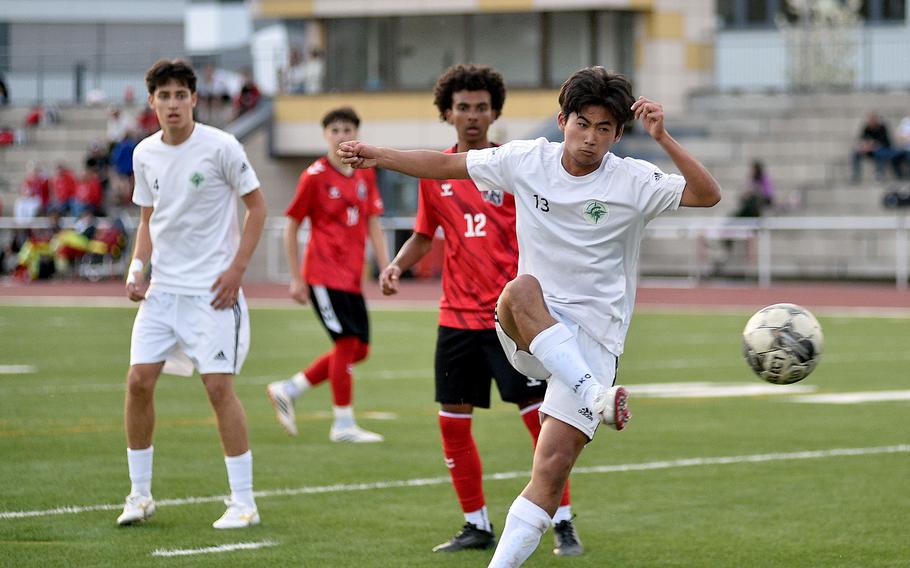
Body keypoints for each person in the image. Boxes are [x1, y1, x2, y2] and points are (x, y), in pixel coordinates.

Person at [339, 66, 722, 567]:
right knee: (520, 288)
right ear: (562, 120)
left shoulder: (632, 179)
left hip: (594, 342)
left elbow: (707, 194)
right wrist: (378, 155)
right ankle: (593, 395)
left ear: (618, 134)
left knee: (551, 469)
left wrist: (663, 137)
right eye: (582, 124)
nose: (590, 139)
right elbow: (444, 166)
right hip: (528, 322)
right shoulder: (526, 159)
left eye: (604, 129)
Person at [377, 63, 582, 556]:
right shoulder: (435, 173)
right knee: (453, 421)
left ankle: (564, 522)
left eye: (481, 108)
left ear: (494, 113)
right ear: (448, 112)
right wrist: (397, 265)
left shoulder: (514, 166)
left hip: (513, 320)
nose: (473, 116)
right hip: (456, 320)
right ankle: (476, 524)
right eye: (463, 107)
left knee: (541, 421)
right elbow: (426, 235)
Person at [117, 59, 267, 529]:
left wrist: (237, 270)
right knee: (138, 381)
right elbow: (147, 221)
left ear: (195, 99)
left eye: (181, 94)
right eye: (164, 96)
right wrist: (137, 268)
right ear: (152, 103)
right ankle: (139, 496)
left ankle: (244, 502)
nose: (172, 103)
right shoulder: (144, 154)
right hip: (163, 292)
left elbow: (257, 208)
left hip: (212, 293)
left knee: (217, 387)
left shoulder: (221, 146)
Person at [267, 107, 390, 443]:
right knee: (347, 343)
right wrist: (296, 277)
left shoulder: (365, 173)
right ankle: (343, 424)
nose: (341, 135)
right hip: (322, 274)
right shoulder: (314, 176)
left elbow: (374, 223)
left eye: (348, 129)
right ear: (325, 135)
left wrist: (386, 265)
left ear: (356, 133)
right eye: (335, 130)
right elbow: (290, 226)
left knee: (359, 349)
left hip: (351, 277)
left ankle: (289, 389)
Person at [851, 112, 902, 182]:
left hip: (882, 150)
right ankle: (855, 175)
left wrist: (874, 145)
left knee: (880, 153)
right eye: (869, 120)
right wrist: (864, 146)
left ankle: (879, 174)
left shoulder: (882, 128)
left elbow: (886, 142)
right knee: (855, 153)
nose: (871, 121)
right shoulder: (866, 128)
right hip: (869, 150)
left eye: (873, 119)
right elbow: (862, 140)